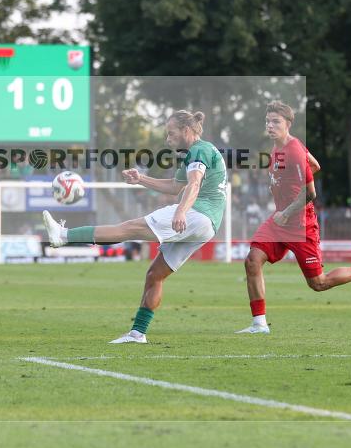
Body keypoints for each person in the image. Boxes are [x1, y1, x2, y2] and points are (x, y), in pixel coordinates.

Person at [42, 110, 226, 344]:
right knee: (155, 274)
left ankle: (64, 235)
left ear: (186, 131)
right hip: (208, 224)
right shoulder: (199, 152)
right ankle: (138, 333)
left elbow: (194, 184)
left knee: (128, 228)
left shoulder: (198, 151)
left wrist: (181, 211)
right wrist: (141, 179)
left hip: (196, 214)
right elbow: (174, 186)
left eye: (171, 133)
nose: (167, 138)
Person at [236, 101, 351, 335]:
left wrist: (288, 210)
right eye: (268, 121)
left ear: (288, 124)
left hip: (300, 224)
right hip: (280, 221)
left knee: (319, 283)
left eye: (275, 122)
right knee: (252, 260)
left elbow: (311, 193)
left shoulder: (293, 150)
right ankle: (259, 324)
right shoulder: (278, 148)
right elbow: (315, 164)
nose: (270, 126)